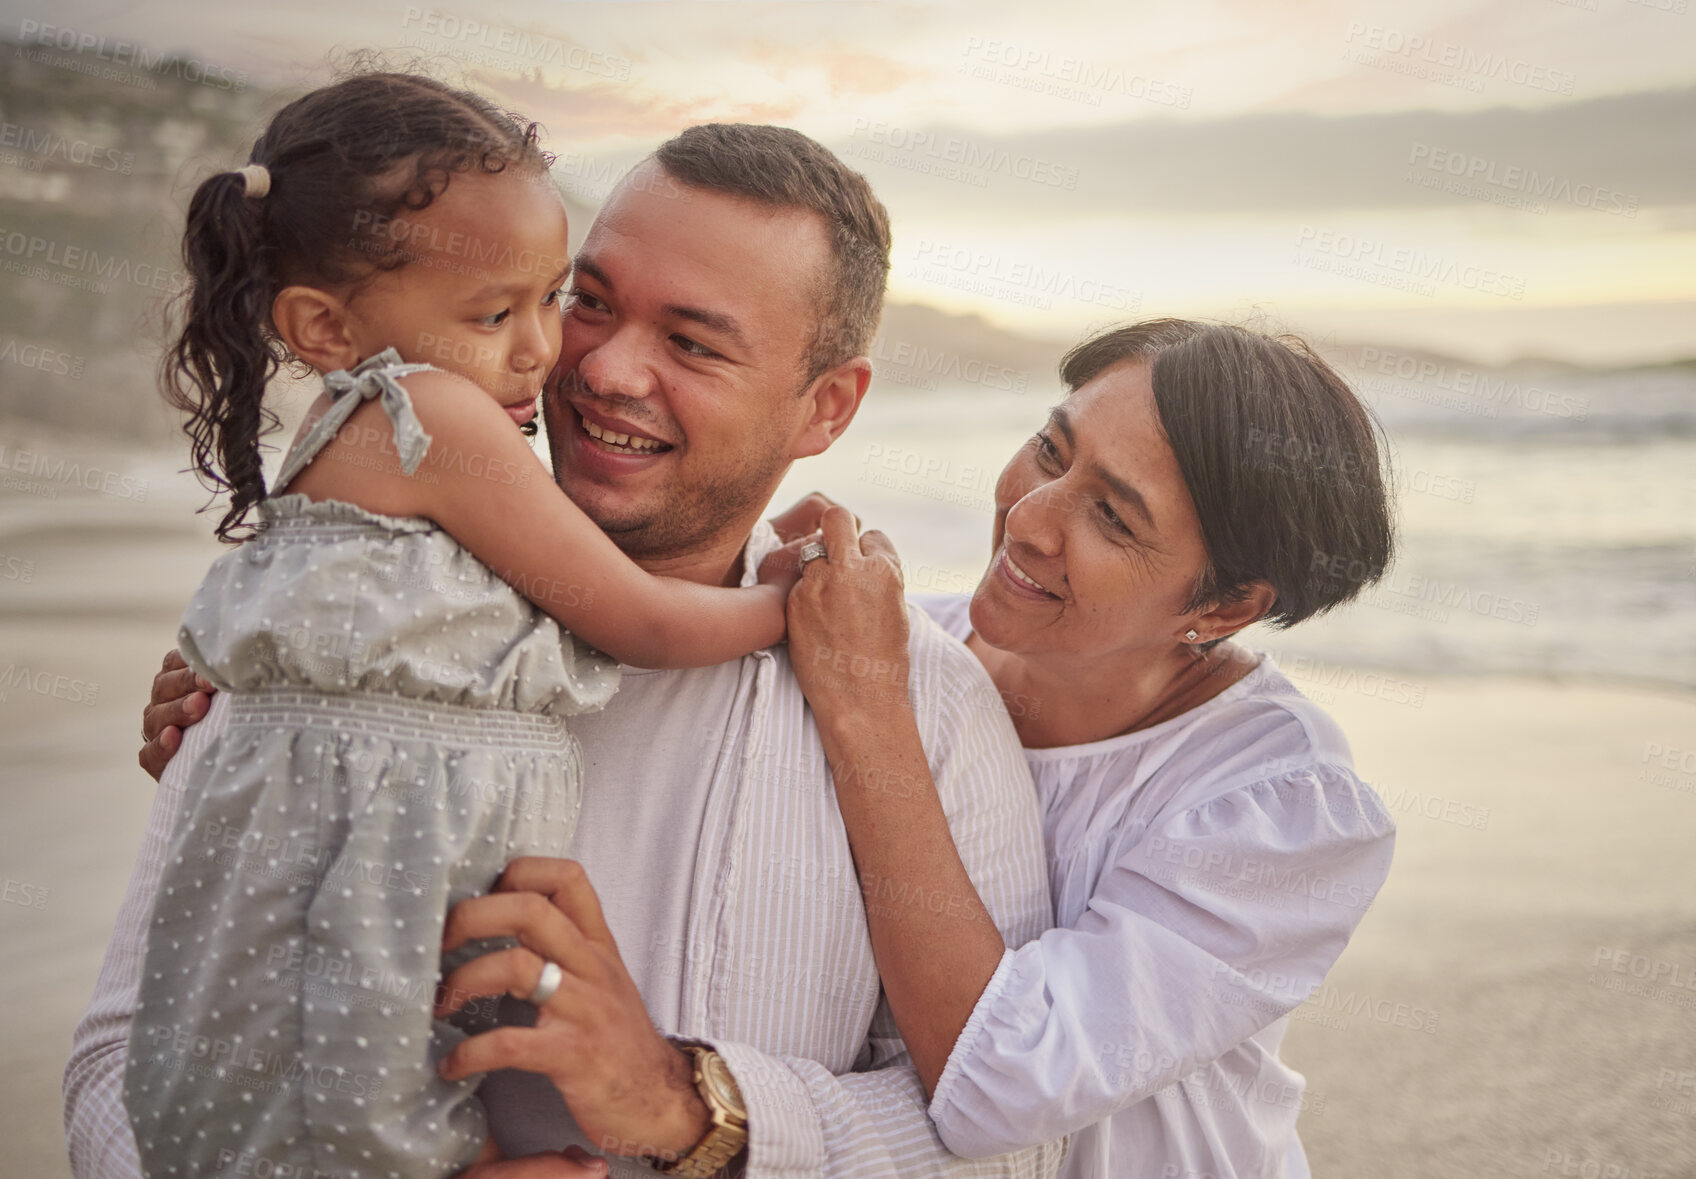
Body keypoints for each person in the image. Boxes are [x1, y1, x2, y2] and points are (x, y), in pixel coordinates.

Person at [66, 118, 1062, 1179]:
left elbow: (1011, 1146)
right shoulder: (335, 633)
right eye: (586, 301)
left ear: (826, 407)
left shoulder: (928, 707)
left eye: (692, 342)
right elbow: (119, 1063)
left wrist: (695, 1110)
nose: (596, 367)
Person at [123, 72, 802, 1179]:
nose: (542, 350)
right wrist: (795, 601)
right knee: (366, 1110)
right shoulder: (430, 415)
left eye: (552, 296)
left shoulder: (360, 438)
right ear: (325, 327)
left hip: (353, 869)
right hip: (381, 875)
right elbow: (636, 619)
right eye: (495, 314)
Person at [778, 318, 1399, 1178]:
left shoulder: (1276, 802)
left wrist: (869, 708)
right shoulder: (902, 646)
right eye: (1049, 448)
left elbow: (998, 1079)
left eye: (1111, 515)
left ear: (1222, 609)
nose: (1028, 518)